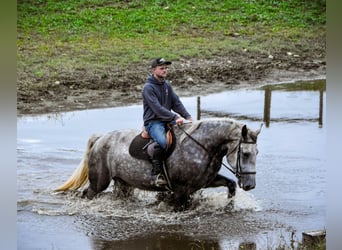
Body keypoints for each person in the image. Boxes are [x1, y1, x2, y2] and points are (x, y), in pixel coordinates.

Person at [142, 57, 194, 186]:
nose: (165, 70)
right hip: (154, 122)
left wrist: (188, 117)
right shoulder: (148, 88)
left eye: (166, 68)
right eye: (162, 68)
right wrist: (175, 118)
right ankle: (156, 174)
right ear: (154, 70)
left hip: (168, 120)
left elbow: (176, 103)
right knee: (163, 142)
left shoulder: (166, 85)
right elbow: (157, 109)